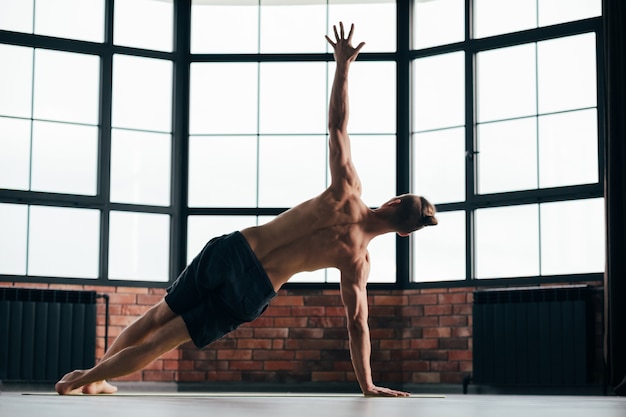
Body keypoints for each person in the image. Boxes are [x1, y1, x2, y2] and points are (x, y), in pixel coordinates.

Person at [55, 22, 437, 397]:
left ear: (394, 201)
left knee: (155, 317)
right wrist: (367, 385)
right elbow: (357, 324)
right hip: (253, 289)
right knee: (162, 343)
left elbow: (337, 126)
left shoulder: (347, 190)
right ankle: (82, 378)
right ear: (404, 232)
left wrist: (343, 65)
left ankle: (93, 377)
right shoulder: (357, 261)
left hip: (235, 249)